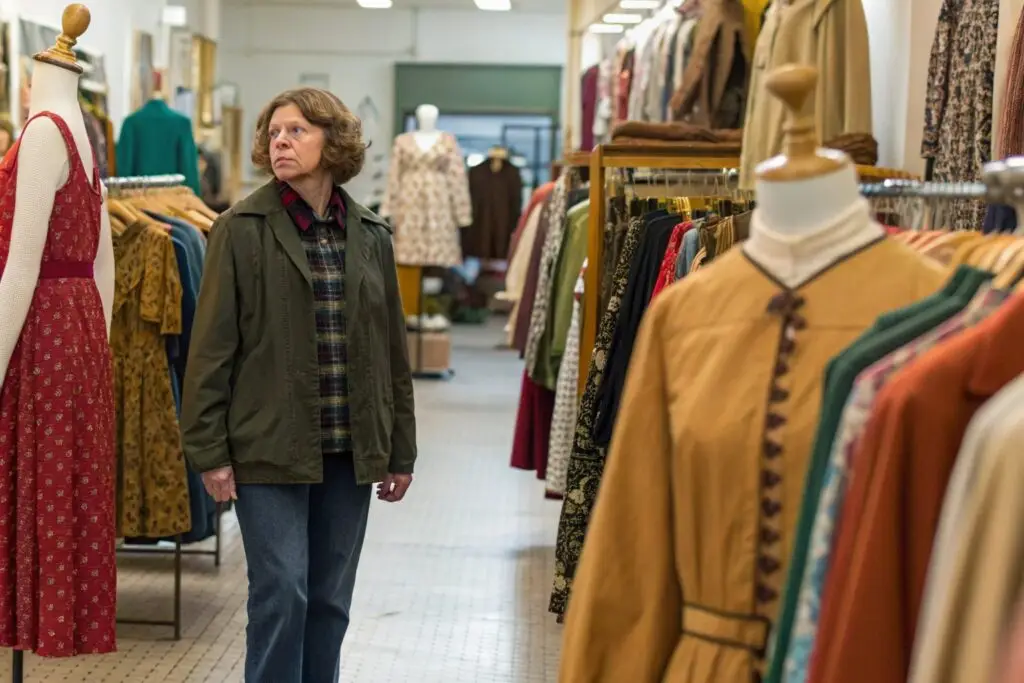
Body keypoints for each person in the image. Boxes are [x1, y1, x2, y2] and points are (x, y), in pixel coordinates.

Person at [181, 87, 417, 683]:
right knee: (282, 593)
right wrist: (208, 451)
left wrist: (400, 450)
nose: (279, 142)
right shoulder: (240, 228)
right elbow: (210, 350)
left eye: (296, 131)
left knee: (330, 602)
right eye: (274, 133)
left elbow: (392, 352)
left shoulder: (371, 235)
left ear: (333, 143)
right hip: (268, 446)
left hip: (350, 446)